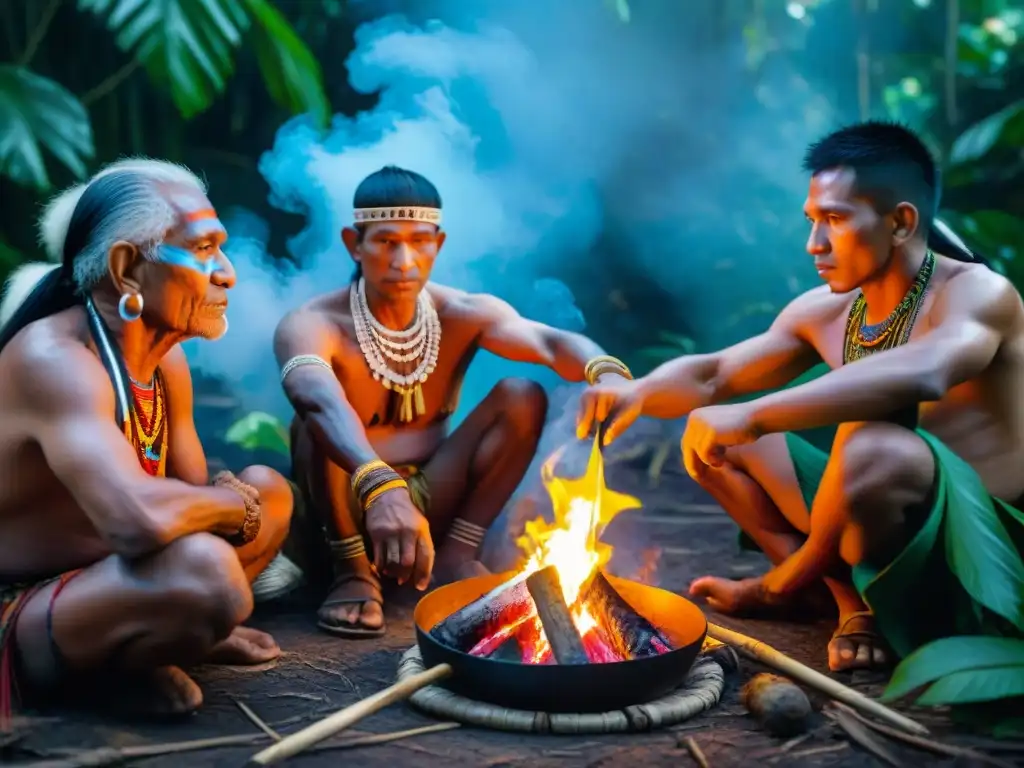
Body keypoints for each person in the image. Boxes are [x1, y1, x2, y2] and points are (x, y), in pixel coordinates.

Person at [578, 121, 1024, 673]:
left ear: (902, 222)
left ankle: (785, 584)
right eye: (813, 220)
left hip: (972, 549)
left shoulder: (978, 294)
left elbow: (926, 372)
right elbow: (715, 375)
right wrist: (636, 392)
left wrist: (758, 413)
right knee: (715, 431)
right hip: (866, 513)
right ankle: (843, 601)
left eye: (834, 220)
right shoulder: (828, 310)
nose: (814, 244)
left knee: (868, 443)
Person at [274, 165, 632, 638]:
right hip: (341, 502)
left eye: (419, 241)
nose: (404, 259)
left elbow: (550, 344)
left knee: (521, 397)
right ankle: (353, 572)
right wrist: (380, 485)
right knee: (318, 421)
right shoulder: (313, 322)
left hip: (430, 497)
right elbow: (312, 396)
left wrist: (606, 373)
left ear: (438, 244)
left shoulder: (462, 312)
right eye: (385, 241)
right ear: (352, 244)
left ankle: (457, 555)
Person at [0, 158, 294, 724]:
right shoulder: (52, 359)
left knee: (271, 492)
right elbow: (136, 520)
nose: (228, 274)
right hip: (20, 608)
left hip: (112, 576)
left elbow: (184, 499)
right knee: (209, 570)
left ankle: (163, 633)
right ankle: (117, 664)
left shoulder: (166, 361)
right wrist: (231, 505)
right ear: (127, 269)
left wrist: (236, 505)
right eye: (206, 250)